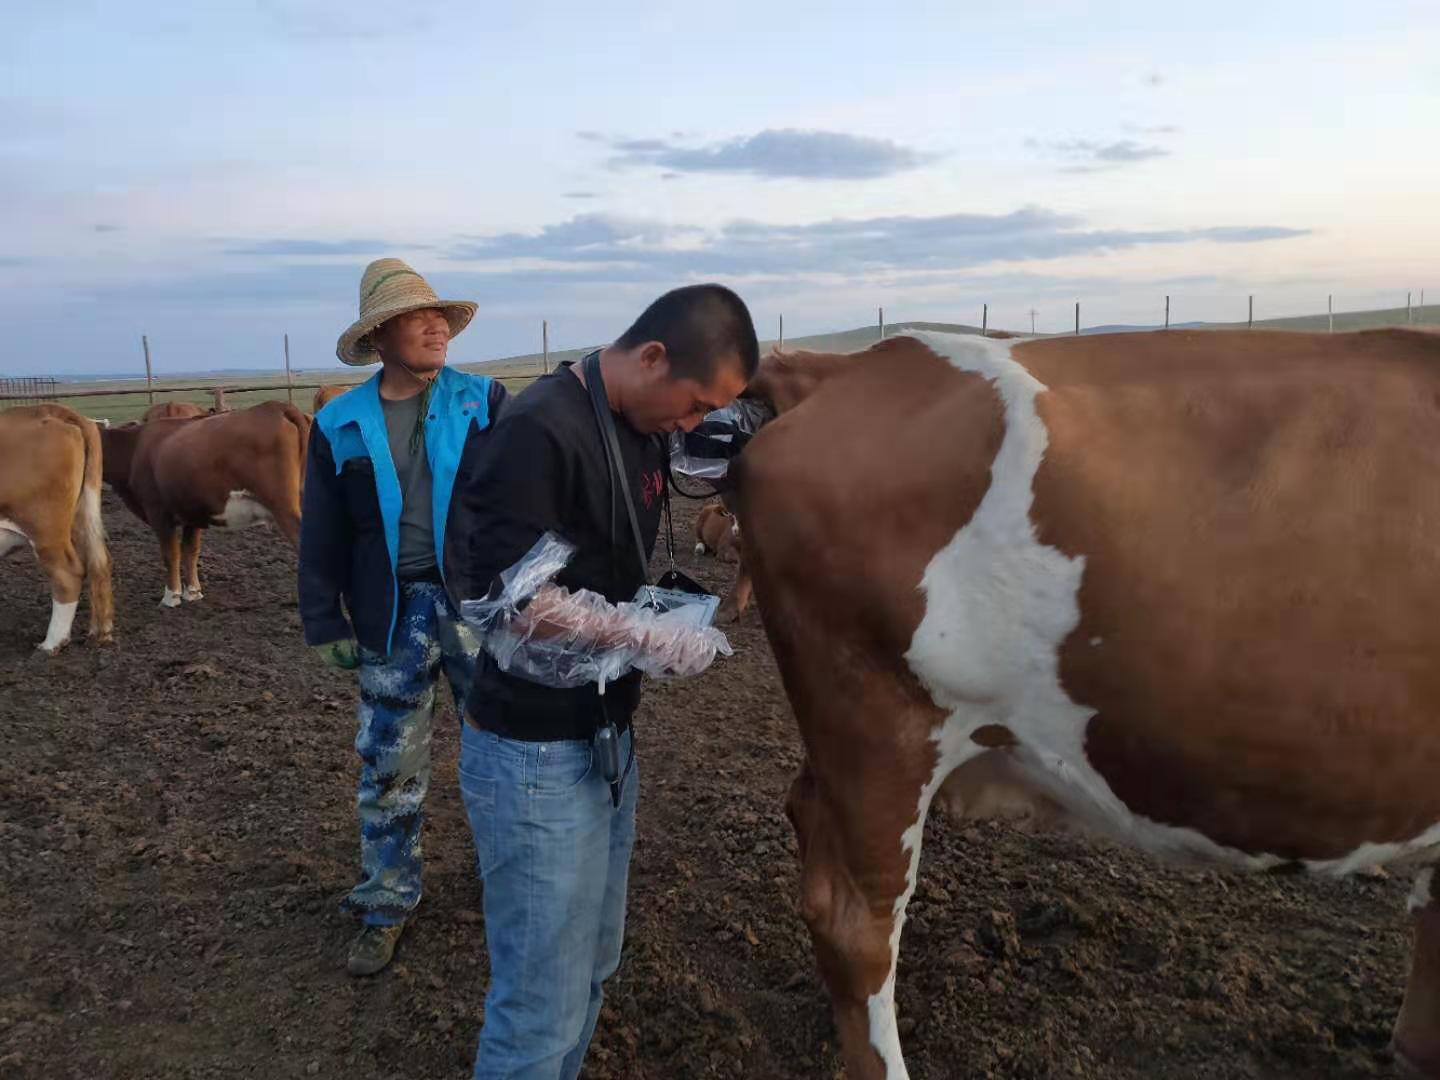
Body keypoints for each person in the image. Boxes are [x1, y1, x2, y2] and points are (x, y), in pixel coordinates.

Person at [447, 284, 759, 1079]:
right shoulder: (539, 430)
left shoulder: (640, 425)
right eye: (693, 405)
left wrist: (661, 615)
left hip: (608, 741)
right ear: (652, 357)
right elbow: (505, 602)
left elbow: (598, 566)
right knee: (538, 1005)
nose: (693, 427)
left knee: (592, 964)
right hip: (530, 756)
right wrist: (637, 632)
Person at [298, 258, 508, 976]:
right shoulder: (338, 424)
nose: (436, 325)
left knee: (504, 753)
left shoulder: (485, 402)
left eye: (441, 315)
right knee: (389, 765)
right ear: (379, 335)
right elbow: (322, 531)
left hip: (478, 608)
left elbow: (523, 503)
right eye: (418, 317)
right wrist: (324, 618)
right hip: (390, 615)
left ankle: (512, 886)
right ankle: (387, 901)